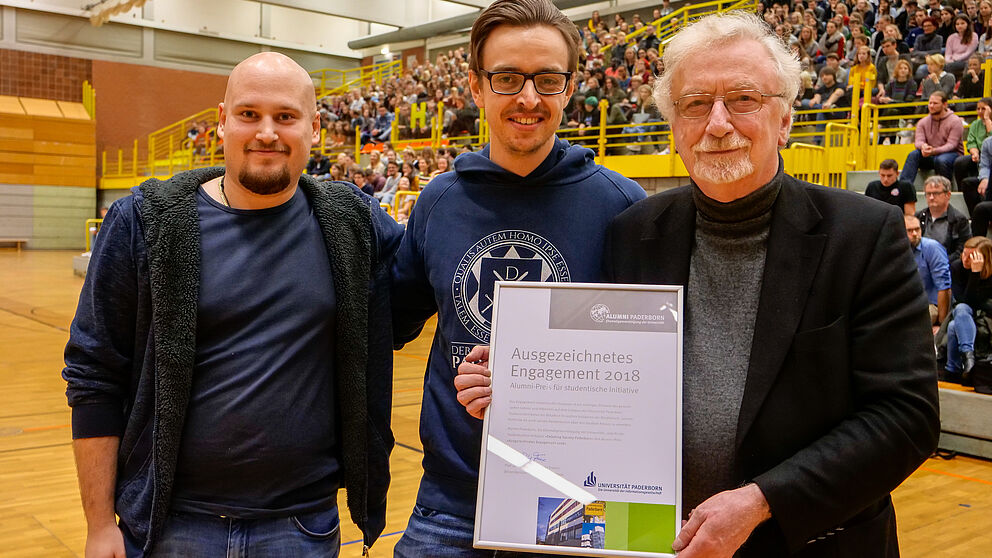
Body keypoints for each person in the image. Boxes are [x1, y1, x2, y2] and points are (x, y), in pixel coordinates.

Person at [459, 11, 939, 557]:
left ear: (784, 120)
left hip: (812, 542)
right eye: (694, 104)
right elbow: (601, 382)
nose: (717, 123)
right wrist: (516, 381)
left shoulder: (864, 234)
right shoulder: (635, 232)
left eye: (743, 100)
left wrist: (762, 501)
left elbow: (907, 417)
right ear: (674, 126)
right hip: (661, 542)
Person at [62, 53, 403, 557]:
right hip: (169, 527)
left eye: (285, 116)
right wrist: (98, 524)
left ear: (314, 127)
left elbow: (433, 281)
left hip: (301, 527)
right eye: (249, 114)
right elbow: (94, 374)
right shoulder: (145, 221)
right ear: (222, 121)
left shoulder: (352, 224)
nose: (267, 132)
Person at [390, 1, 645, 555]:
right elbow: (387, 316)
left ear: (569, 88)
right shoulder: (438, 202)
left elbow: (649, 361)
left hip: (578, 501)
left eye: (547, 79)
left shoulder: (624, 205)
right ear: (478, 89)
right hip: (451, 506)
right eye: (507, 78)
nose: (528, 99)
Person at [944, 236, 992, 385]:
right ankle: (968, 358)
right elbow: (963, 300)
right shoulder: (957, 267)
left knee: (954, 327)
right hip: (965, 314)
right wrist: (974, 275)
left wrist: (976, 273)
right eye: (963, 254)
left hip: (987, 317)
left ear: (984, 259)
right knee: (961, 308)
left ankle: (952, 370)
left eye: (971, 257)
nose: (965, 259)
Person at [899, 91, 963, 185]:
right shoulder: (922, 122)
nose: (931, 106)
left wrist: (934, 151)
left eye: (935, 103)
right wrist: (924, 146)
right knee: (914, 154)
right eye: (930, 103)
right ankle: (904, 188)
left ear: (945, 104)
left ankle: (944, 188)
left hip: (952, 154)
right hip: (931, 154)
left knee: (941, 160)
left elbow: (952, 145)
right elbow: (918, 142)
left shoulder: (955, 121)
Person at [906, 214, 952, 326]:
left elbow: (944, 287)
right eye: (909, 231)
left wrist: (941, 325)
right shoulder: (896, 250)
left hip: (931, 305)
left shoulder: (932, 248)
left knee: (911, 322)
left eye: (917, 229)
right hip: (907, 304)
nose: (915, 234)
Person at [918, 175, 972, 263]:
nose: (931, 197)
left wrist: (940, 262)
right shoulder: (919, 217)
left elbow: (962, 250)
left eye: (936, 193)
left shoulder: (959, 219)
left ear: (948, 195)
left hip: (947, 266)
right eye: (928, 194)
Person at [955, 97, 992, 213]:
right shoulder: (975, 124)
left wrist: (987, 120)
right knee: (960, 162)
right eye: (978, 109)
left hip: (989, 154)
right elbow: (971, 141)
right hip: (979, 152)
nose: (980, 111)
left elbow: (990, 141)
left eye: (984, 109)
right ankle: (960, 191)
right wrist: (974, 152)